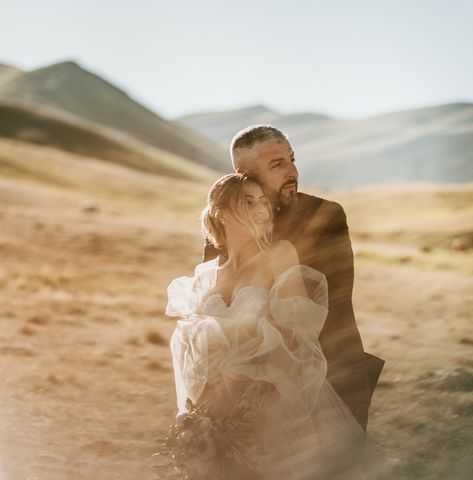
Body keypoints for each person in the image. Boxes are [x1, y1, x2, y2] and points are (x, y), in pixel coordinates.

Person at [156, 173, 388, 480]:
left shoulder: (278, 254)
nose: (262, 209)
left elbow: (295, 328)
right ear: (221, 212)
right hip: (214, 401)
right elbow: (195, 349)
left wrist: (235, 387)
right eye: (248, 202)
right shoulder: (208, 274)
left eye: (263, 201)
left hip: (269, 397)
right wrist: (200, 410)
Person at [203, 125, 384, 431]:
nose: (292, 171)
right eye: (278, 164)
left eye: (292, 159)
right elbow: (215, 304)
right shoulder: (225, 228)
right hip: (236, 383)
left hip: (327, 374)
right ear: (245, 172)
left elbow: (330, 305)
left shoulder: (326, 216)